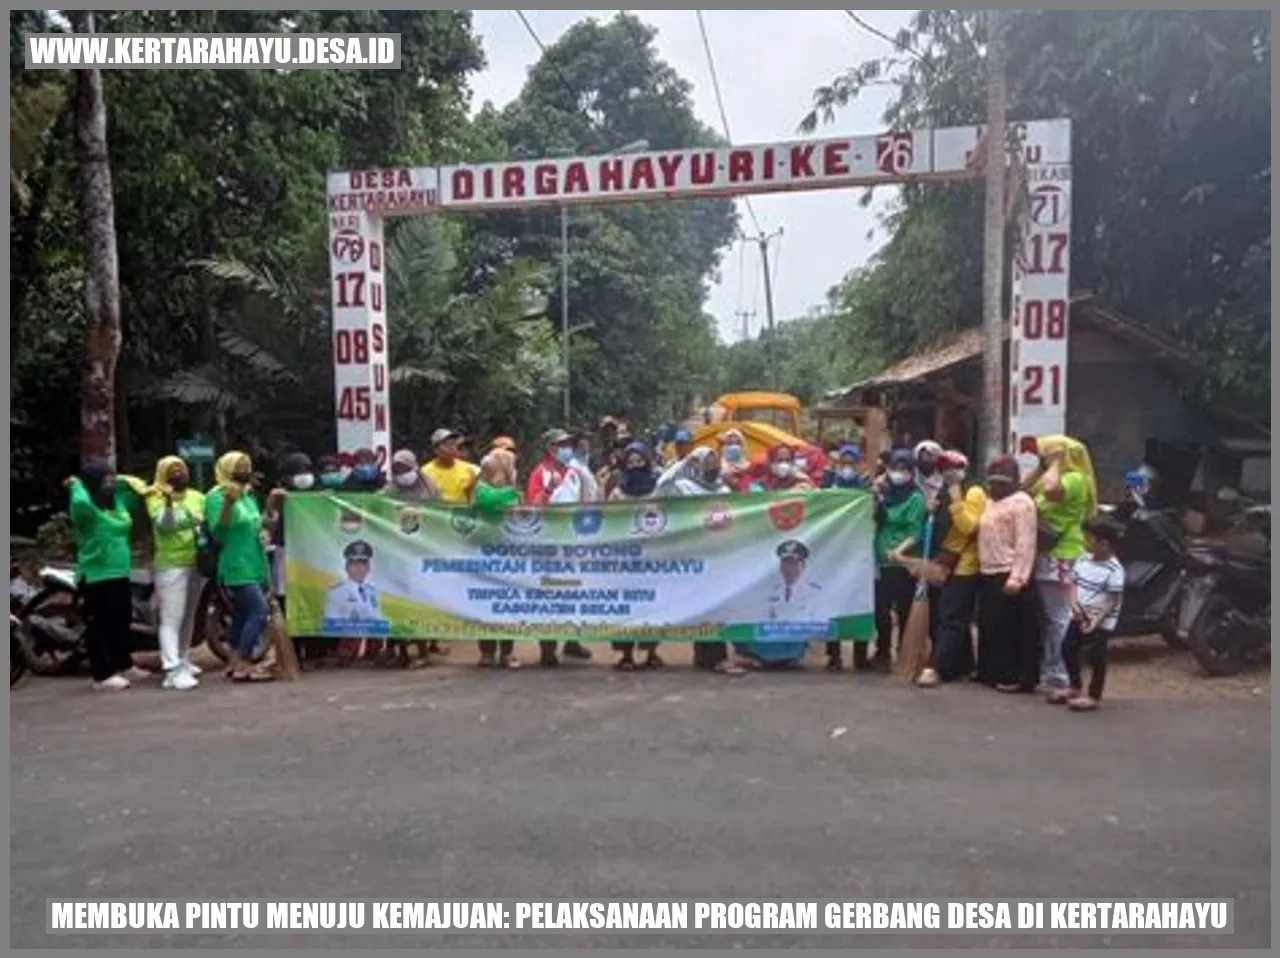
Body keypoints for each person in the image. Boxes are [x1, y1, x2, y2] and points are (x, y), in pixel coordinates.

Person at [66, 460, 150, 691]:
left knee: (122, 621)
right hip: (96, 573)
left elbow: (135, 490)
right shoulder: (84, 509)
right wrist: (77, 485)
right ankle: (102, 674)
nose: (110, 485)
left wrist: (121, 479)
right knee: (100, 625)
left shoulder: (117, 504)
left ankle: (124, 664)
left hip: (120, 571)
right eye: (105, 481)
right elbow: (81, 499)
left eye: (111, 480)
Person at [1024, 435, 1097, 700]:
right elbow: (1024, 490)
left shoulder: (1075, 479)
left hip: (1063, 555)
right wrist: (1042, 467)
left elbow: (1053, 490)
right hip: (1047, 554)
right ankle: (1052, 670)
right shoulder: (1052, 476)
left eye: (1046, 454)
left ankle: (1063, 674)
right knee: (1050, 618)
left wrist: (1057, 459)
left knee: (1059, 618)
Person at [916, 453, 987, 687]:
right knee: (950, 616)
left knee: (951, 617)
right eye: (944, 468)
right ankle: (964, 665)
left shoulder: (973, 491)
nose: (948, 472)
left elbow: (969, 526)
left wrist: (957, 502)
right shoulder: (944, 492)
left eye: (953, 467)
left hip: (964, 564)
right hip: (944, 561)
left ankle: (939, 667)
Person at [205, 451, 274, 683]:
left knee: (243, 615)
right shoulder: (217, 496)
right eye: (239, 467)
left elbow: (256, 524)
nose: (245, 471)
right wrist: (227, 504)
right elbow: (218, 532)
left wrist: (269, 515)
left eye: (247, 466)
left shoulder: (248, 495)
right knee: (259, 611)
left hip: (253, 560)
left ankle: (234, 661)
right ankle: (245, 662)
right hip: (235, 564)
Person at [526, 428, 593, 665]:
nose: (566, 448)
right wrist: (549, 490)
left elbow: (586, 503)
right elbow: (532, 508)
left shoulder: (575, 472)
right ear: (549, 448)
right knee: (549, 596)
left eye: (567, 444)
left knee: (574, 593)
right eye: (560, 444)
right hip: (549, 544)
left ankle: (572, 641)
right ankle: (547, 647)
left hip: (574, 542)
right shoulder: (540, 473)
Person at [976, 454, 1040, 693]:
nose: (995, 486)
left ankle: (1015, 675)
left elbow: (1026, 542)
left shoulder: (1022, 503)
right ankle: (991, 672)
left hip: (1009, 572)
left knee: (1013, 629)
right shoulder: (990, 501)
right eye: (992, 481)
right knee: (991, 625)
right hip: (988, 570)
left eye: (1001, 481)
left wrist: (1018, 577)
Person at [146, 455, 206, 691]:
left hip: (195, 561)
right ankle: (171, 669)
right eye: (172, 471)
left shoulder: (197, 497)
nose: (178, 474)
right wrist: (169, 502)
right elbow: (165, 525)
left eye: (181, 469)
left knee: (189, 615)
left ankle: (183, 657)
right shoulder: (155, 496)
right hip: (171, 564)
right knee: (171, 617)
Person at [606, 441, 663, 671]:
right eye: (631, 462)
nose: (636, 465)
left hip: (652, 557)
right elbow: (608, 518)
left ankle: (651, 652)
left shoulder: (658, 488)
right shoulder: (618, 491)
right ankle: (626, 654)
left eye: (640, 461)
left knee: (653, 606)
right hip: (625, 560)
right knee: (626, 607)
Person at [868, 449, 926, 671]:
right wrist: (876, 495)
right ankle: (882, 652)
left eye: (903, 469)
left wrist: (900, 552)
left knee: (903, 611)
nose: (897, 474)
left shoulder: (915, 498)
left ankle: (904, 654)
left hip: (904, 564)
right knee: (880, 610)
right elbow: (875, 518)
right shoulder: (883, 494)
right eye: (894, 468)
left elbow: (915, 532)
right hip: (881, 562)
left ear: (912, 472)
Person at [1061, 517, 1125, 711]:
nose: (1085, 542)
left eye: (1090, 539)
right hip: (1079, 613)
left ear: (1104, 544)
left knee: (1096, 656)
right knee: (1067, 648)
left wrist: (1095, 618)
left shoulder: (1115, 569)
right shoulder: (1083, 558)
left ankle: (1093, 695)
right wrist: (1073, 603)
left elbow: (1113, 599)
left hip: (1100, 619)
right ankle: (1074, 685)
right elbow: (1073, 582)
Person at [472, 448, 522, 669]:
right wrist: (510, 496)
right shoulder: (481, 488)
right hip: (484, 554)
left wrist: (513, 497)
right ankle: (486, 652)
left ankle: (506, 652)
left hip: (509, 555)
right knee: (485, 604)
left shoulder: (515, 492)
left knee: (507, 604)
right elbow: (485, 503)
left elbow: (521, 514)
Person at [736, 539, 819, 669]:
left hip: (793, 639)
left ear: (803, 566)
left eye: (794, 564)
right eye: (785, 563)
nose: (789, 569)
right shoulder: (771, 591)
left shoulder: (813, 592)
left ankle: (789, 657)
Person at [323, 540, 384, 626]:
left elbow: (378, 621)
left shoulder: (373, 591)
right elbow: (331, 624)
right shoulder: (337, 592)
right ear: (347, 567)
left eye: (363, 564)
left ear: (368, 567)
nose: (359, 568)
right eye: (355, 564)